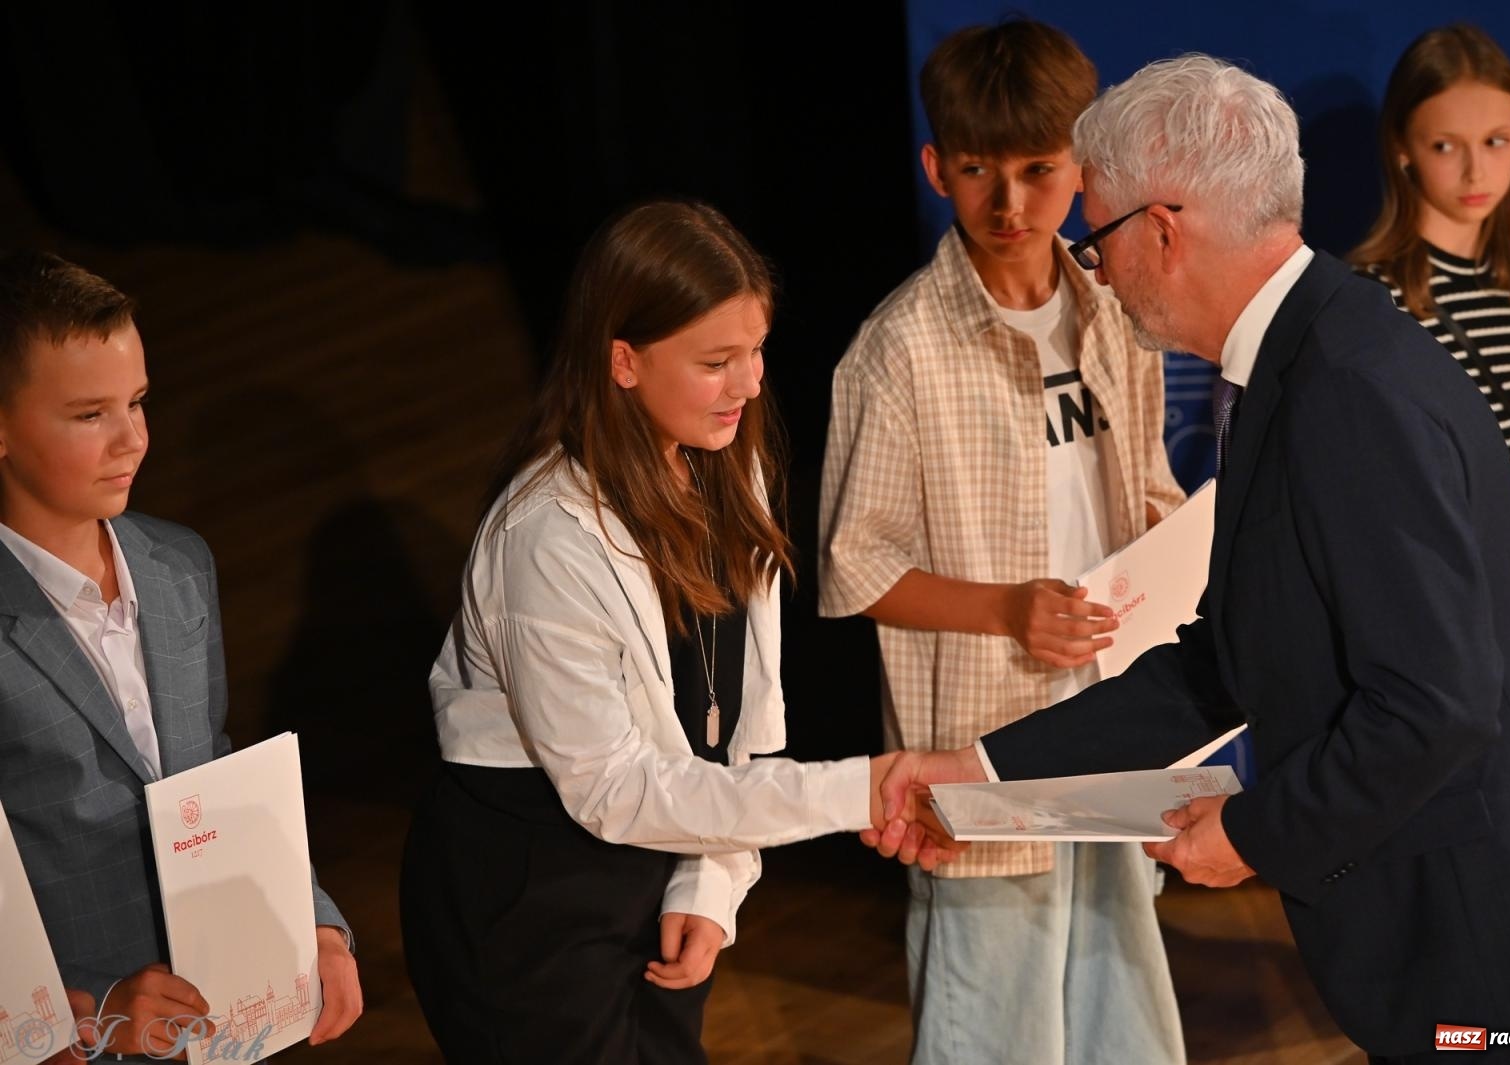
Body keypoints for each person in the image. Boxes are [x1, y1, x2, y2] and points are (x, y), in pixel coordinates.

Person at [872, 55, 1510, 1063]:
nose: (1095, 271)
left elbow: (1435, 703)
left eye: (1094, 242)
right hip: (1455, 889)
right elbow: (1227, 658)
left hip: (1483, 913)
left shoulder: (1344, 386)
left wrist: (1253, 832)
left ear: (1159, 232)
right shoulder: (1304, 354)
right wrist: (981, 771)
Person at [399, 200, 950, 1065]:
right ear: (623, 360)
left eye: (756, 351)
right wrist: (862, 790)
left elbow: (746, 722)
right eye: (716, 361)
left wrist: (710, 880)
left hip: (657, 852)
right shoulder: (547, 537)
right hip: (531, 890)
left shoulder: (734, 461)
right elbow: (613, 787)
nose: (750, 384)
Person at [817, 19, 1188, 1065]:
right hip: (982, 734)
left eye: (1038, 171)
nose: (1009, 203)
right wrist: (1007, 609)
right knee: (993, 1020)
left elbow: (1149, 486)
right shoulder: (899, 351)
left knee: (1121, 994)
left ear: (1082, 168)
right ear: (936, 167)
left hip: (1111, 719)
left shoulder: (1115, 310)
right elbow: (856, 567)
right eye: (979, 171)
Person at [0, 251, 362, 1062]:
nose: (132, 438)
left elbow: (210, 776)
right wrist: (89, 1015)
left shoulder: (178, 565)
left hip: (221, 1021)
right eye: (89, 414)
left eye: (137, 401)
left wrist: (315, 920)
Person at [1349, 24, 1510, 460]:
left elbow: (1508, 412)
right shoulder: (1372, 295)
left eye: (1495, 141)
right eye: (1446, 147)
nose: (1476, 171)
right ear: (1403, 148)